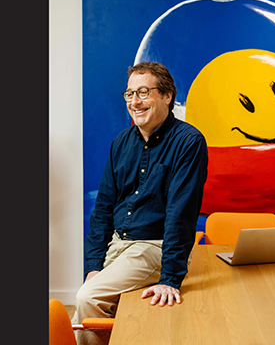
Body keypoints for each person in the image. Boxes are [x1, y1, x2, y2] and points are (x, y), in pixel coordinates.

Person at [72, 61, 208, 345]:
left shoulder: (188, 141)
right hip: (119, 243)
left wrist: (170, 278)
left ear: (167, 96)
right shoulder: (120, 143)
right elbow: (104, 209)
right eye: (130, 94)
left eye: (144, 92)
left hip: (154, 246)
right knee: (90, 297)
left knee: (87, 298)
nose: (135, 101)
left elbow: (180, 214)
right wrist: (93, 265)